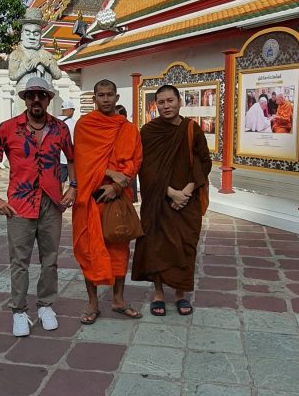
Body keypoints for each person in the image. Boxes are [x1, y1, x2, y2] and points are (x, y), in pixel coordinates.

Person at [0, 76, 76, 336]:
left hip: (52, 204)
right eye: (31, 95)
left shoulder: (60, 129)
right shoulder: (9, 128)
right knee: (19, 261)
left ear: (49, 99)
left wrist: (73, 186)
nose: (36, 100)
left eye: (41, 95)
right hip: (20, 205)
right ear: (24, 98)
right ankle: (19, 311)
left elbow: (73, 157)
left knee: (50, 259)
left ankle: (45, 306)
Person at [132, 83, 211, 316]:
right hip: (159, 200)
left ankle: (180, 294)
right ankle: (158, 292)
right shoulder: (148, 132)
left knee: (185, 246)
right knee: (156, 246)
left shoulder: (191, 129)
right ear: (156, 105)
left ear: (179, 102)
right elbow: (144, 168)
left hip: (187, 200)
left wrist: (187, 190)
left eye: (170, 101)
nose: (166, 106)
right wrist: (170, 192)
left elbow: (204, 161)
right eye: (162, 102)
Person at [72, 79, 143, 324]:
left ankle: (118, 299)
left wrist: (116, 185)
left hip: (118, 198)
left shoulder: (128, 128)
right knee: (89, 248)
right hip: (90, 199)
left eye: (109, 94)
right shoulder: (84, 125)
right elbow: (82, 162)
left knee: (119, 246)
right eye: (100, 95)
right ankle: (92, 303)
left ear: (116, 97)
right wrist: (111, 173)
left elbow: (135, 160)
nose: (105, 99)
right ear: (94, 98)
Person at [8, 12, 62, 114]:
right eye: (28, 33)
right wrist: (27, 67)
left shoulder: (47, 55)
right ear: (22, 35)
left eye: (36, 33)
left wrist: (45, 63)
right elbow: (12, 76)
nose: (32, 37)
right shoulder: (16, 54)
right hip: (24, 96)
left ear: (40, 35)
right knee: (23, 125)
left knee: (46, 126)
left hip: (45, 95)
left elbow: (58, 75)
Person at [59, 99, 77, 184]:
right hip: (71, 157)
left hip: (57, 157)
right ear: (70, 110)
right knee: (73, 183)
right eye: (73, 110)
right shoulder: (74, 123)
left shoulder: (54, 121)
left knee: (60, 182)